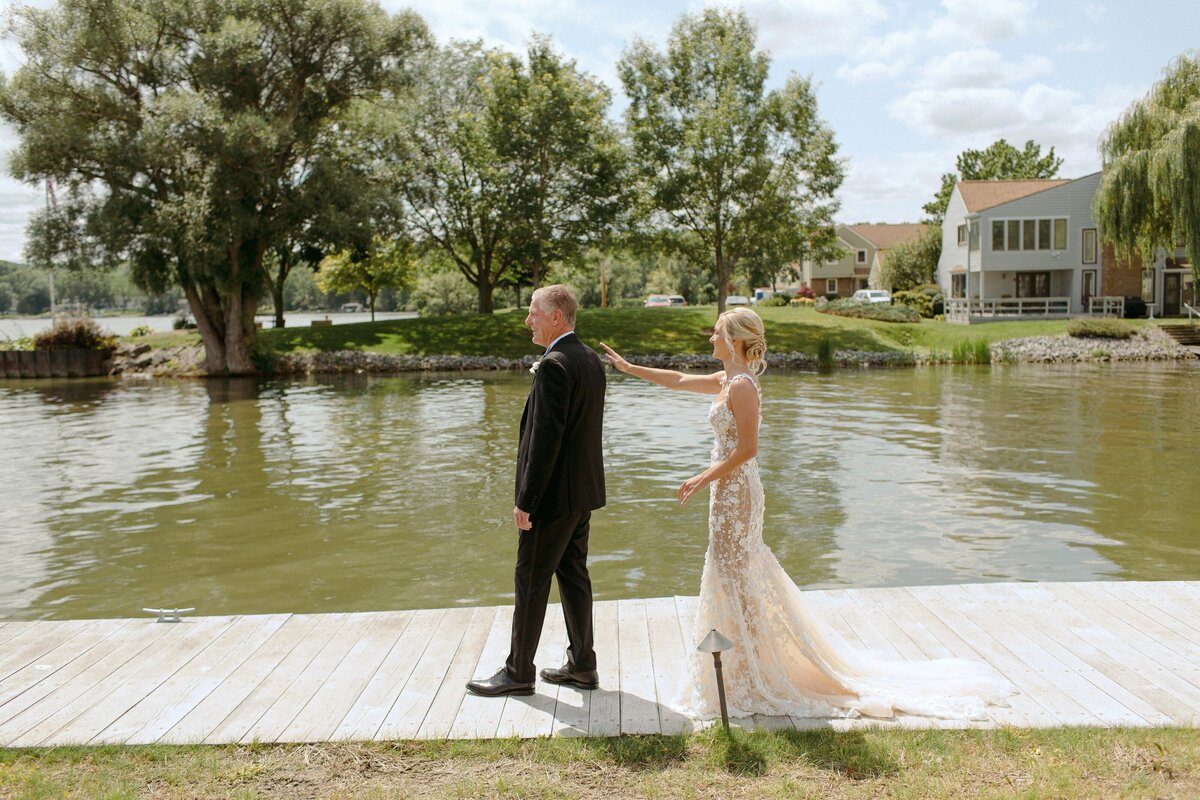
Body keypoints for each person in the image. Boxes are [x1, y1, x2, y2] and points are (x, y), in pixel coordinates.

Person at [600, 307, 1012, 720]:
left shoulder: (742, 386)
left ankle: (760, 665)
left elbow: (747, 450)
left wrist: (701, 477)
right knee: (731, 575)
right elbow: (678, 380)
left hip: (737, 494)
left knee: (738, 573)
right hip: (724, 494)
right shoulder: (726, 380)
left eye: (716, 332)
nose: (710, 338)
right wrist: (628, 367)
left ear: (735, 339)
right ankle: (747, 661)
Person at [467, 285, 607, 697]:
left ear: (556, 318)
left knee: (530, 579)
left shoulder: (554, 365)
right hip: (581, 495)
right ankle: (582, 665)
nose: (528, 320)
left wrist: (525, 501)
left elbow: (546, 441)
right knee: (574, 575)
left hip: (550, 499)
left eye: (533, 313)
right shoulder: (590, 359)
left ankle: (518, 672)